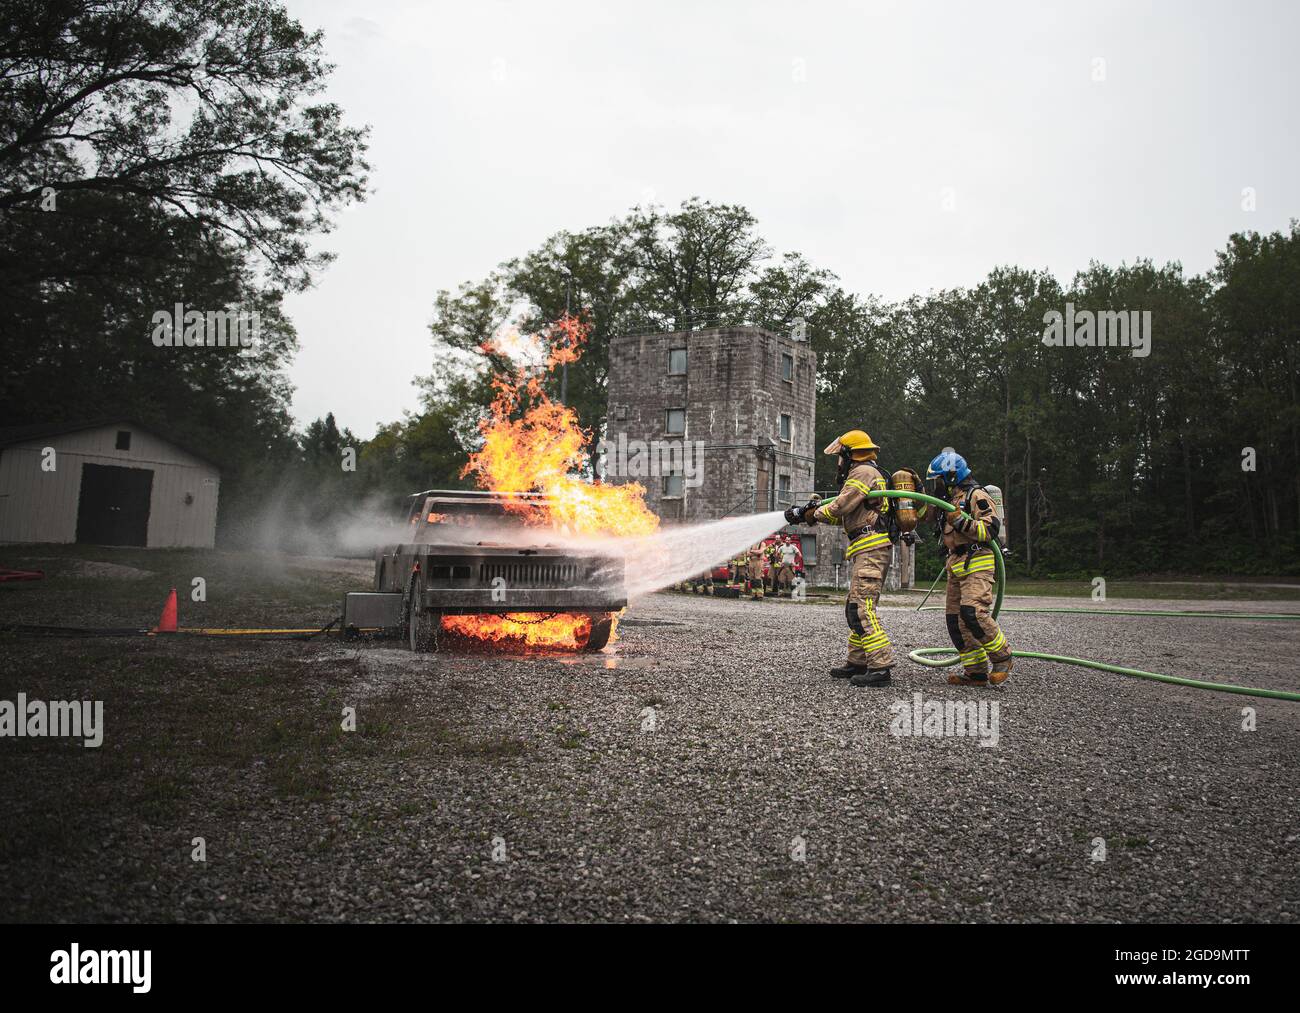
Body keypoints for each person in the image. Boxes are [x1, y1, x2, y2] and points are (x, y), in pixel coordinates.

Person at [785, 430, 895, 687]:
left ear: (849, 455)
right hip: (866, 546)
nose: (838, 463)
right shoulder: (866, 474)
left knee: (862, 608)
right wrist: (812, 513)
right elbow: (841, 515)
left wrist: (805, 512)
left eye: (840, 457)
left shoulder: (863, 473)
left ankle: (880, 667)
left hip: (871, 547)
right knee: (854, 607)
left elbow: (839, 507)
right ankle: (858, 661)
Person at [925, 447, 1012, 686]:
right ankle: (976, 672)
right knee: (956, 621)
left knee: (973, 613)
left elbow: (990, 530)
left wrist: (963, 522)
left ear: (951, 477)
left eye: (938, 480)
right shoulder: (949, 501)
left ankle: (1002, 656)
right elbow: (925, 515)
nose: (936, 486)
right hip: (956, 563)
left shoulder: (977, 495)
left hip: (977, 561)